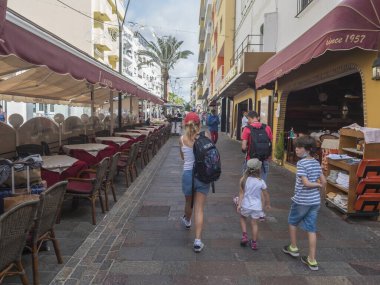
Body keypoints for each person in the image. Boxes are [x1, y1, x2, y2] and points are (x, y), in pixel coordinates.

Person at [282, 135, 326, 271]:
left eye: (299, 147)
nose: (296, 149)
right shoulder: (316, 162)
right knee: (311, 228)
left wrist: (316, 185)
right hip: (314, 201)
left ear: (307, 149)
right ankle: (312, 260)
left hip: (301, 200)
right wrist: (319, 187)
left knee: (292, 222)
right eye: (296, 147)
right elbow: (324, 181)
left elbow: (306, 183)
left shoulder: (301, 163)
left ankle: (293, 247)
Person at [179, 112, 211, 253]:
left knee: (188, 202)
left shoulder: (182, 139)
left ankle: (187, 220)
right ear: (199, 124)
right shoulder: (206, 136)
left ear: (186, 124)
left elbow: (183, 158)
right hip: (203, 175)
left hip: (187, 175)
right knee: (199, 208)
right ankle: (197, 241)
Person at [237, 158, 270, 250]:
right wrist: (267, 204)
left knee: (243, 218)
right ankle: (254, 243)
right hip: (257, 207)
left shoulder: (243, 180)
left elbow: (241, 193)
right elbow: (266, 194)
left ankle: (244, 236)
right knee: (254, 224)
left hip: (245, 205)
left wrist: (239, 204)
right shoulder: (261, 182)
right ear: (259, 169)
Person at [241, 111, 273, 182]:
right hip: (264, 159)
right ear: (257, 117)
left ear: (249, 118)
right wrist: (270, 156)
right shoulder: (267, 128)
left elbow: (243, 147)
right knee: (262, 182)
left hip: (251, 159)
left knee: (247, 182)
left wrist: (245, 150)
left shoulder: (247, 129)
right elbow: (270, 143)